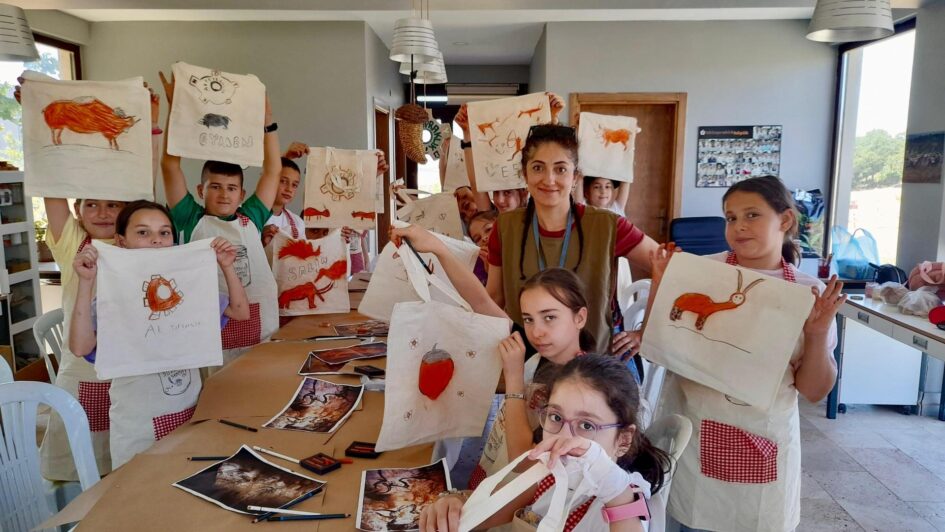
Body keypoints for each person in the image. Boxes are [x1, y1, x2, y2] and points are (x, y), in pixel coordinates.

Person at [647, 176, 844, 532]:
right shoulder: (699, 272)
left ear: (785, 220)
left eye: (752, 215)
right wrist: (661, 284)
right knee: (689, 521)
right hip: (693, 436)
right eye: (731, 217)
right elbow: (657, 345)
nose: (739, 226)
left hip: (762, 440)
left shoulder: (808, 293)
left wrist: (816, 334)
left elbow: (815, 390)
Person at [15, 77, 161, 481]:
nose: (102, 212)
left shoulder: (136, 241)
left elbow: (143, 181)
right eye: (91, 205)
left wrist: (150, 123)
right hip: (83, 366)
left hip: (131, 359)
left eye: (112, 205)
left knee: (129, 454)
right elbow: (52, 184)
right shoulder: (71, 243)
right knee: (80, 457)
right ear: (77, 210)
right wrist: (34, 116)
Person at [391, 224, 595, 489]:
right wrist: (438, 248)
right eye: (529, 319)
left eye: (549, 318)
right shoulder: (540, 350)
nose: (537, 332)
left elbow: (524, 459)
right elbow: (481, 302)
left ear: (579, 317)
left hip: (525, 496)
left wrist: (514, 378)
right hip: (497, 480)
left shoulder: (583, 385)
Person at [68, 201, 250, 468]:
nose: (156, 240)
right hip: (136, 423)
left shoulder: (188, 289)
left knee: (184, 477)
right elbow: (80, 347)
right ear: (121, 241)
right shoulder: (112, 298)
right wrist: (86, 282)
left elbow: (240, 311)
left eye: (164, 232)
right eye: (143, 232)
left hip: (188, 411)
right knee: (140, 485)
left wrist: (227, 266)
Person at [419, 355, 670, 532]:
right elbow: (484, 514)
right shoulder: (549, 476)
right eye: (556, 417)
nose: (564, 437)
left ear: (623, 439)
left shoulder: (623, 503)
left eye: (586, 425)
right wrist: (453, 504)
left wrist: (616, 489)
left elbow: (626, 511)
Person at [483, 122, 658, 364]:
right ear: (525, 174)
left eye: (561, 169)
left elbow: (667, 267)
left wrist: (645, 332)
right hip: (529, 363)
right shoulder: (505, 228)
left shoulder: (607, 226)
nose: (549, 179)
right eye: (538, 168)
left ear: (575, 176)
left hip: (592, 365)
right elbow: (494, 297)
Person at [159, 70, 280, 364]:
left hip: (261, 320)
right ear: (201, 190)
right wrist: (177, 111)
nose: (224, 195)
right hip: (214, 320)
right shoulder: (189, 217)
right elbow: (169, 166)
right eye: (215, 187)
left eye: (231, 188)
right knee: (217, 383)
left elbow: (273, 171)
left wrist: (268, 122)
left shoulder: (252, 216)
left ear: (242, 194)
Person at [468, 210, 497, 285]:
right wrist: (491, 273)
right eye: (477, 239)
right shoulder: (479, 268)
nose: (484, 238)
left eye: (488, 229)